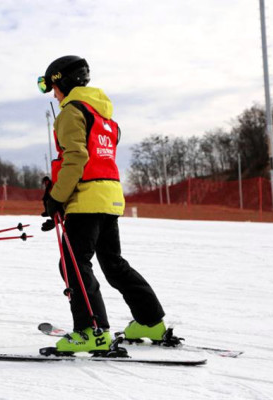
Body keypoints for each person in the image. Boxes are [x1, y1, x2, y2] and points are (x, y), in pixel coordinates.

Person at [37, 55, 167, 354]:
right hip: (109, 196)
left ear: (63, 83)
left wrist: (56, 197)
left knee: (73, 263)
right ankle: (150, 322)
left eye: (53, 88)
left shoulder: (72, 112)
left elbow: (76, 158)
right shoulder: (105, 115)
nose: (54, 96)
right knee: (113, 263)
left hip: (85, 197)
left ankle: (91, 330)